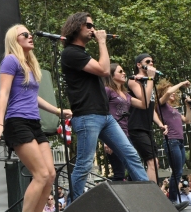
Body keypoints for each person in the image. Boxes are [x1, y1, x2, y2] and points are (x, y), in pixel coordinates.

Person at [0, 25, 71, 212]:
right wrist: (0, 123)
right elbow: (4, 92)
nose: (30, 37)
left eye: (30, 34)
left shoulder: (29, 64)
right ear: (14, 40)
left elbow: (32, 96)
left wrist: (57, 111)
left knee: (51, 175)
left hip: (34, 123)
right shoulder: (10, 61)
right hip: (17, 122)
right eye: (24, 34)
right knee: (41, 174)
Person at [60, 12, 148, 201]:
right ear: (77, 27)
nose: (93, 29)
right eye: (89, 26)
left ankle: (151, 199)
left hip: (104, 116)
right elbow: (104, 70)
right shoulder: (71, 53)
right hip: (87, 116)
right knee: (84, 165)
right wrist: (102, 42)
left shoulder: (83, 53)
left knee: (131, 155)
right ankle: (72, 209)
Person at [103, 63, 156, 181]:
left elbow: (145, 104)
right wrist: (106, 141)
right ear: (112, 75)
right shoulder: (107, 91)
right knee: (119, 173)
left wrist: (149, 80)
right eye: (120, 71)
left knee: (133, 168)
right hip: (112, 135)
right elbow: (102, 112)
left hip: (126, 135)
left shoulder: (126, 95)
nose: (124, 73)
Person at [127, 54, 169, 183]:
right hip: (136, 126)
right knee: (152, 162)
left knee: (154, 162)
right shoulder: (134, 80)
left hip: (147, 127)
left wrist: (160, 124)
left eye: (152, 61)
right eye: (148, 61)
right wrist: (150, 78)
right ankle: (154, 198)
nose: (151, 63)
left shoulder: (149, 82)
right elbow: (143, 101)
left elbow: (151, 108)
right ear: (139, 65)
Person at [156, 78, 191, 206]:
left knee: (179, 171)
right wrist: (182, 83)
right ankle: (172, 200)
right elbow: (167, 94)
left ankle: (173, 200)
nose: (173, 93)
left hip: (180, 142)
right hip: (171, 141)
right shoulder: (161, 105)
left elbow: (187, 120)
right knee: (176, 171)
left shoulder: (174, 110)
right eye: (170, 91)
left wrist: (188, 106)